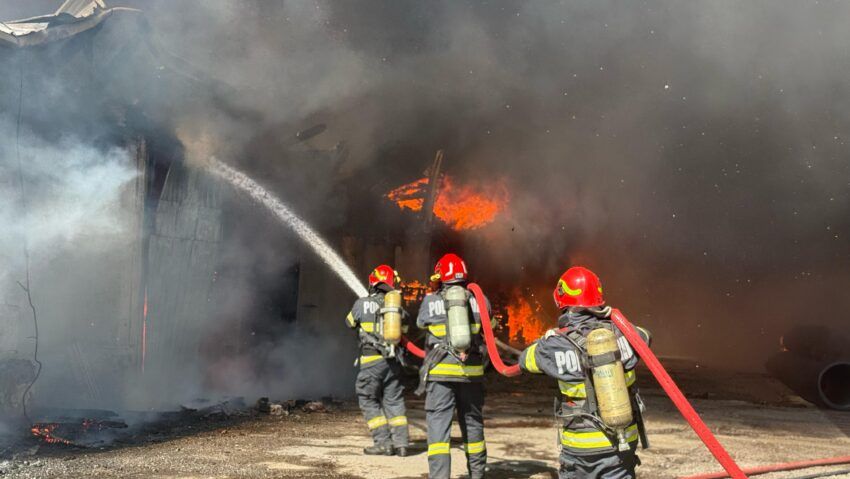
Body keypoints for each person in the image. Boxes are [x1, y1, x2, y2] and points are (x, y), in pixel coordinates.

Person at [518, 266, 651, 479]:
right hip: (622, 444)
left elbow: (525, 360)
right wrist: (616, 321)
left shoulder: (556, 344)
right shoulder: (623, 333)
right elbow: (645, 336)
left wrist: (547, 340)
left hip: (580, 449)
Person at [416, 253, 489, 479]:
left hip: (440, 376)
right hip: (471, 375)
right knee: (473, 425)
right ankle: (477, 475)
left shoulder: (431, 301)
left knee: (439, 430)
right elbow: (490, 325)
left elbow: (420, 323)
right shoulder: (480, 300)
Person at [346, 264, 410, 456]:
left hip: (371, 361)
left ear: (373, 282)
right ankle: (402, 444)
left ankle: (383, 443)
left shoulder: (361, 303)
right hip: (393, 363)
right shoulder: (397, 308)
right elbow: (404, 334)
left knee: (368, 399)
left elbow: (349, 322)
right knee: (394, 401)